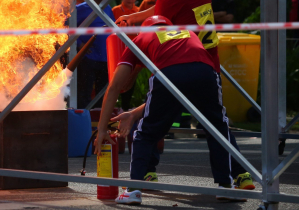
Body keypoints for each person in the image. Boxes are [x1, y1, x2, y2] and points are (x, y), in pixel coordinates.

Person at [94, 16, 255, 205]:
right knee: (218, 128)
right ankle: (226, 187)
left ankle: (133, 190)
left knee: (145, 133)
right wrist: (134, 113)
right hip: (205, 72)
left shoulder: (141, 38)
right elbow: (178, 92)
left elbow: (114, 87)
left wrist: (102, 128)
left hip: (168, 73)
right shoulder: (188, 32)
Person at [75, 0, 115, 109]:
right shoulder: (80, 9)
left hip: (105, 58)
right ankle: (83, 120)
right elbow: (66, 26)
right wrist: (80, 43)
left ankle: (98, 121)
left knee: (102, 93)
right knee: (84, 92)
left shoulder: (108, 8)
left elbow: (114, 29)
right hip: (88, 58)